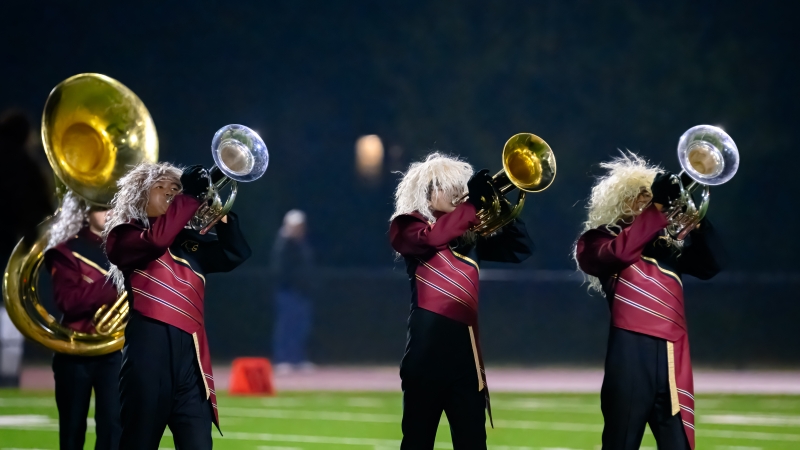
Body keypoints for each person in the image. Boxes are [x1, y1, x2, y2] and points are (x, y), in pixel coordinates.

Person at [574, 152, 724, 450]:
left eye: (652, 196)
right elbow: (619, 254)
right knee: (621, 442)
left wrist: (700, 224)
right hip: (630, 354)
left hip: (673, 355)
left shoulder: (668, 247)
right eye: (642, 196)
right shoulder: (597, 240)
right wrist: (655, 210)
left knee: (679, 444)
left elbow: (711, 265)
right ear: (622, 200)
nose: (651, 202)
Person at [389, 153, 533, 450]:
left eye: (460, 186)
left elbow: (521, 248)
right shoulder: (407, 226)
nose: (457, 192)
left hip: (466, 363)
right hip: (424, 358)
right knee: (417, 443)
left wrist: (497, 200)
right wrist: (469, 207)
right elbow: (431, 238)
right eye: (446, 186)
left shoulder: (470, 238)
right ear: (425, 194)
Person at [104, 162, 251, 450]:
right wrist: (188, 198)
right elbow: (157, 239)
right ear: (139, 196)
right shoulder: (124, 235)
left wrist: (218, 214)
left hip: (192, 361)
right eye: (160, 188)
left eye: (176, 189)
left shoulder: (189, 243)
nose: (170, 193)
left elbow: (236, 253)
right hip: (148, 354)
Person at [43, 192, 121, 450]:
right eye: (101, 207)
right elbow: (69, 302)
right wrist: (116, 281)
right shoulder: (66, 251)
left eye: (113, 206)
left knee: (113, 431)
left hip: (116, 352)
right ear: (87, 211)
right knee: (72, 432)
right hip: (75, 352)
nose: (109, 212)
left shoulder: (128, 248)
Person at [0, 110, 52, 387]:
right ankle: (7, 375)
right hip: (11, 249)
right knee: (12, 308)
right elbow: (43, 207)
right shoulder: (25, 164)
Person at [270, 209, 315, 373]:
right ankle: (283, 359)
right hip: (288, 292)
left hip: (302, 293)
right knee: (286, 326)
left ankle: (297, 359)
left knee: (301, 327)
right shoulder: (284, 243)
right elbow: (281, 270)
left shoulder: (301, 243)